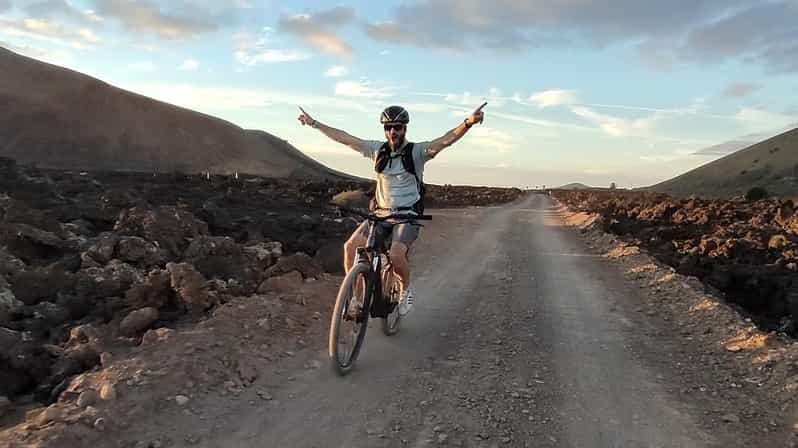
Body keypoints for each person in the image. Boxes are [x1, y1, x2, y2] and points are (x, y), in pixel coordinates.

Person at [298, 103, 486, 315]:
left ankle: (405, 291)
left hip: (406, 215)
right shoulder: (377, 150)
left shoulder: (417, 152)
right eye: (388, 127)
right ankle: (356, 301)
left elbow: (445, 141)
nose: (392, 131)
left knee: (396, 254)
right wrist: (314, 124)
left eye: (397, 127)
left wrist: (468, 123)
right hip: (380, 214)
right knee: (351, 248)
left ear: (405, 128)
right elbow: (345, 138)